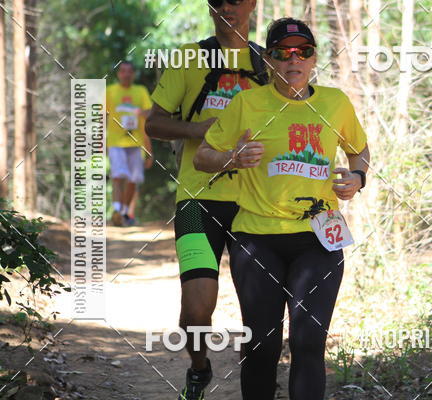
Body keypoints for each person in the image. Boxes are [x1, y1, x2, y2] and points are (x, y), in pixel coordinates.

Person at [195, 18, 370, 400]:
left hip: (318, 238)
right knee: (262, 345)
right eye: (283, 53)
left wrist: (358, 177)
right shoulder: (247, 104)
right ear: (269, 60)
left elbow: (359, 150)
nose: (294, 60)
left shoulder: (335, 103)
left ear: (314, 58)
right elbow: (202, 157)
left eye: (303, 51)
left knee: (309, 343)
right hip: (256, 239)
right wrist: (231, 158)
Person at [145, 1, 267, 399]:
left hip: (255, 203)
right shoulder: (188, 58)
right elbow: (153, 123)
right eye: (219, 0)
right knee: (196, 312)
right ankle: (199, 368)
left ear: (253, 4)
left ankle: (258, 386)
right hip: (197, 200)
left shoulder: (269, 63)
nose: (227, 7)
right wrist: (197, 129)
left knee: (259, 310)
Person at [106, 61, 153, 227]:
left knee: (134, 179)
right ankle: (117, 210)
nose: (126, 74)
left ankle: (125, 212)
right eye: (123, 71)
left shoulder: (141, 91)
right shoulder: (110, 91)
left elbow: (150, 114)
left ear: (133, 74)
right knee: (118, 176)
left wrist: (139, 112)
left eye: (129, 71)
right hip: (115, 142)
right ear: (118, 74)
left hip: (136, 142)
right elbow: (101, 116)